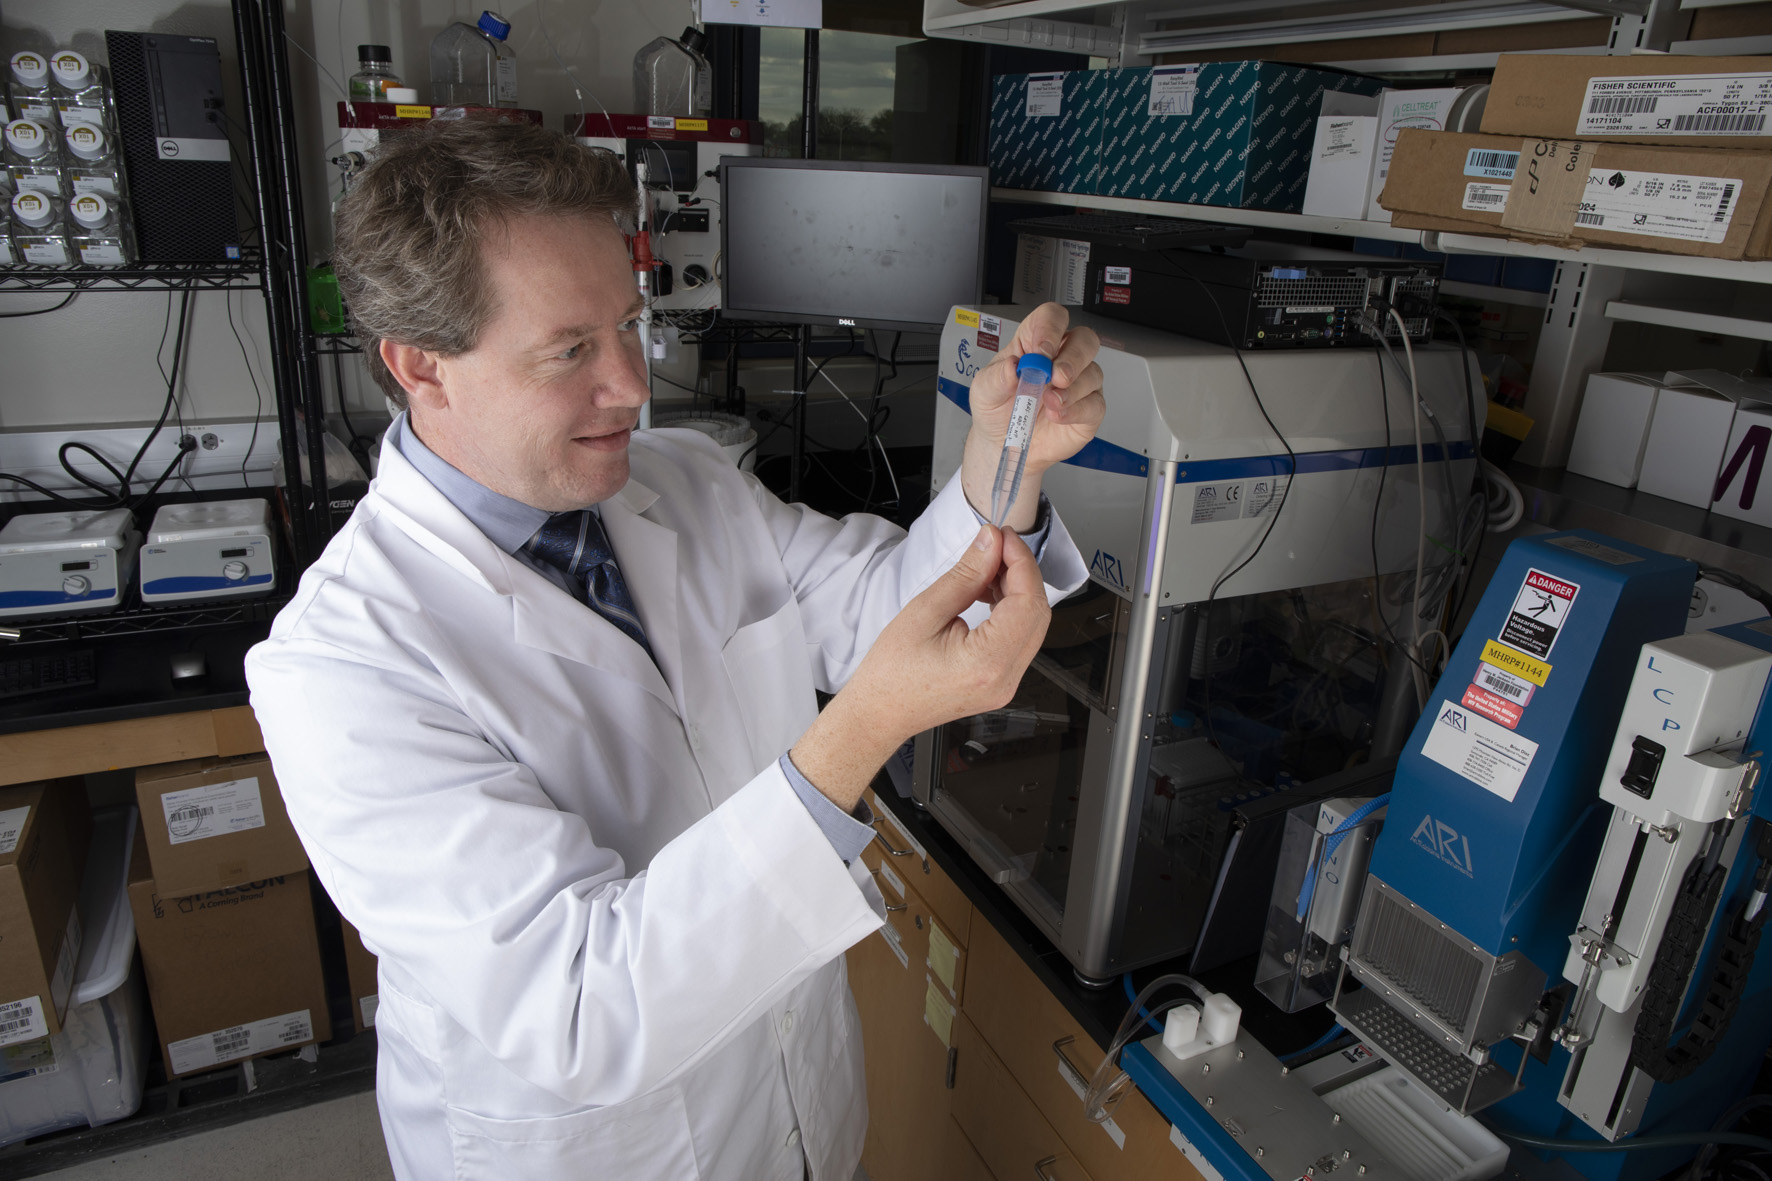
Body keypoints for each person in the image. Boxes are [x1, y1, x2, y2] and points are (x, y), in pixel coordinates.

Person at [245, 119, 1104, 1180]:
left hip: (793, 1097)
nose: (631, 383)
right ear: (422, 365)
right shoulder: (343, 665)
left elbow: (890, 604)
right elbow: (578, 1010)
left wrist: (1001, 458)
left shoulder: (683, 480)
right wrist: (862, 726)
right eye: (569, 350)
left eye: (627, 325)